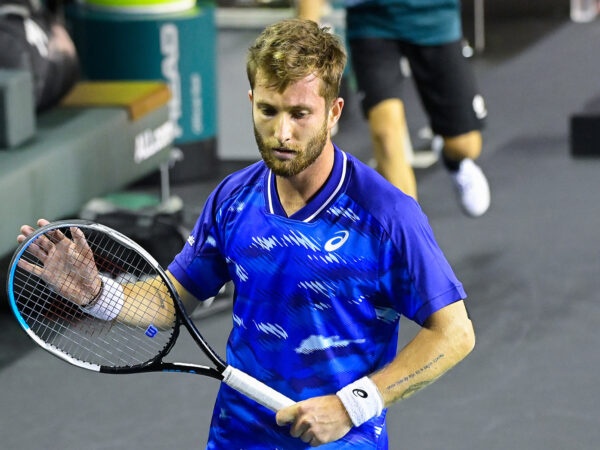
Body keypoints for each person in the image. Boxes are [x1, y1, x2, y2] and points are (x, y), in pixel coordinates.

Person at [17, 19, 475, 449]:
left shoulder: (387, 215)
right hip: (237, 436)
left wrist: (352, 405)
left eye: (300, 114)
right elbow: (172, 300)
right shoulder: (233, 198)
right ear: (251, 99)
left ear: (334, 112)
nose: (281, 132)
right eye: (268, 110)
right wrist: (98, 294)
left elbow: (455, 334)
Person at [297, 0, 490, 217]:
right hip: (371, 18)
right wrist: (305, 46)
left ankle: (454, 160)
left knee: (465, 146)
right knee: (385, 133)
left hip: (434, 15)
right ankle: (409, 238)